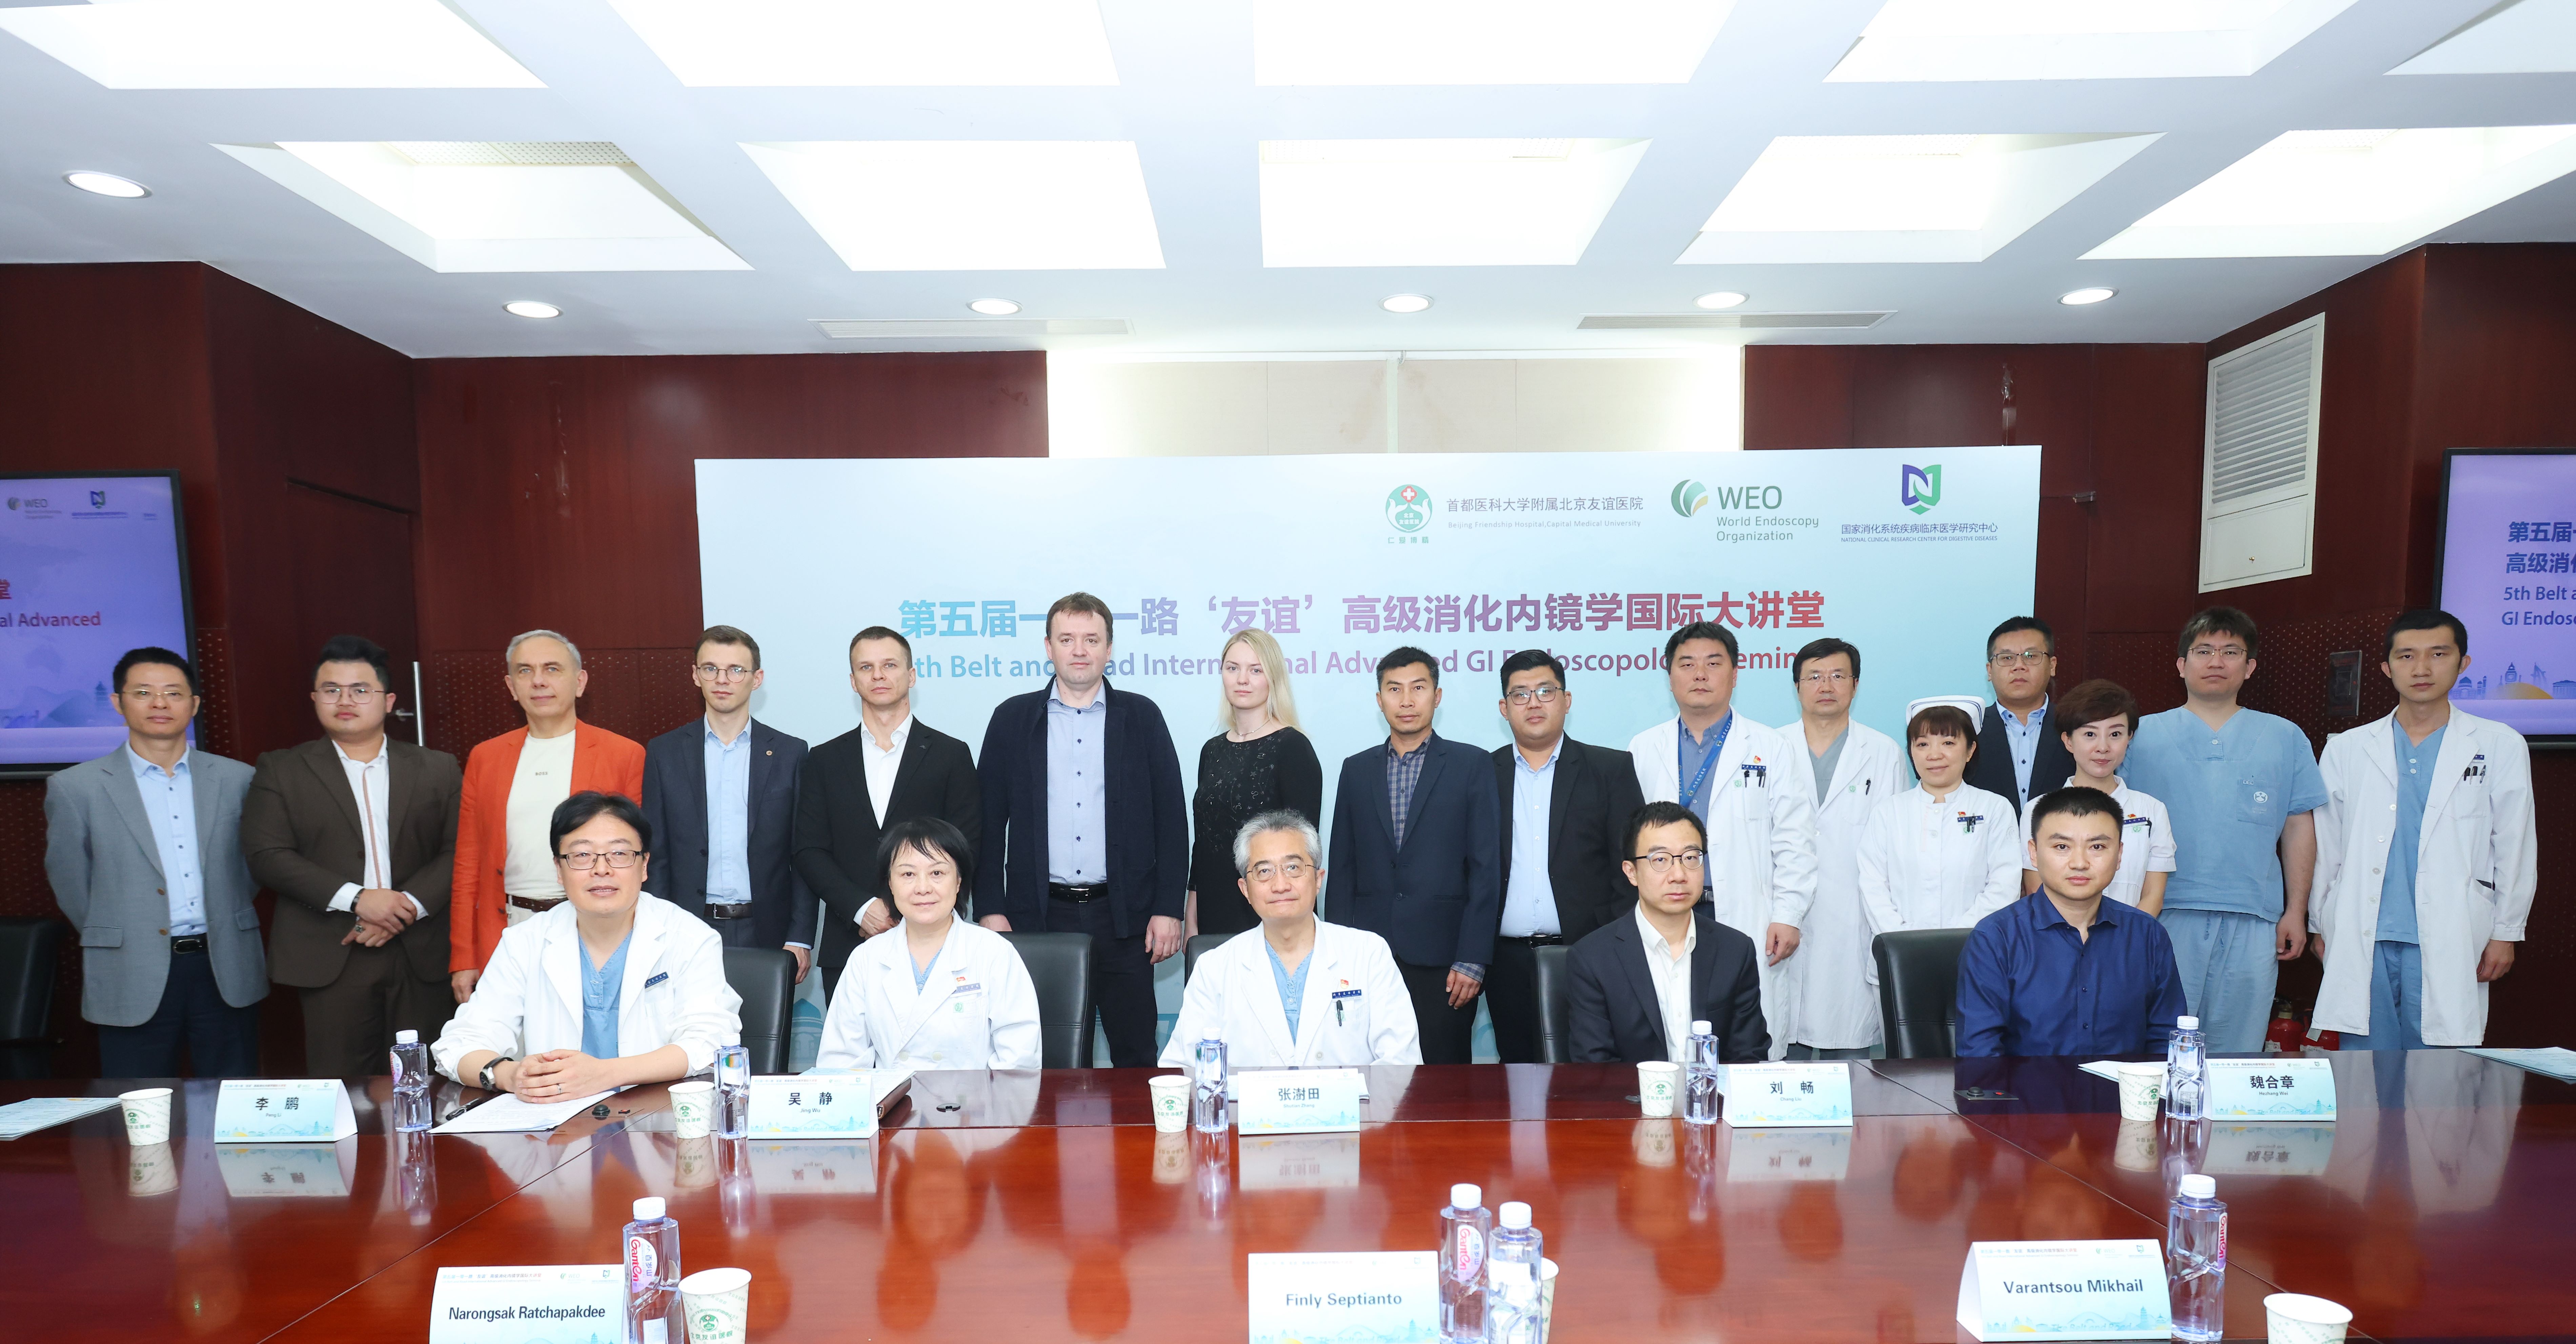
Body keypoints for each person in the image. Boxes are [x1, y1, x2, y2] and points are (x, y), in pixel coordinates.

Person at [975, 593, 1188, 1068]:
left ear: (1109, 649)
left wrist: (1167, 908)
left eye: (1091, 639)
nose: (1079, 650)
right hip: (1036, 918)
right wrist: (990, 908)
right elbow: (986, 823)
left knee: (1136, 1056)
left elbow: (1172, 820)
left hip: (1125, 919)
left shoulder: (1142, 717)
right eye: (1067, 639)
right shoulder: (1012, 719)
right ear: (1047, 647)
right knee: (1046, 1062)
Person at [2310, 609, 2536, 1049]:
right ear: (2386, 668)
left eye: (2437, 654)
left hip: (2452, 930)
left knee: (2438, 1074)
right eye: (2406, 656)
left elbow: (2515, 845)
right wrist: (2320, 922)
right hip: (2364, 930)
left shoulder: (2499, 744)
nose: (2421, 668)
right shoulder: (2347, 748)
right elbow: (2327, 845)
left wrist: (2506, 932)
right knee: (2364, 1071)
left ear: (2462, 663)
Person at [241, 636, 464, 1076]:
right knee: (342, 1086)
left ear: (388, 700)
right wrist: (360, 899)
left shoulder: (438, 767)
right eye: (332, 690)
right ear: (315, 698)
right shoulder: (281, 769)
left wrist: (403, 907)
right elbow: (268, 854)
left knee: (424, 1081)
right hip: (331, 949)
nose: (345, 700)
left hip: (420, 950)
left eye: (360, 689)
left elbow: (459, 849)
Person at [43, 647, 266, 1077]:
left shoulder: (238, 778)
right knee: (139, 1104)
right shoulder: (76, 787)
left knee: (232, 1100)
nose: (160, 703)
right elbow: (71, 880)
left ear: (194, 704)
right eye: (144, 692)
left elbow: (253, 867)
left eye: (173, 693)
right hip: (130, 966)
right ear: (118, 702)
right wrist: (120, 930)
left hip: (223, 963)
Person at [433, 791, 741, 1098]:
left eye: (619, 853)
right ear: (559, 869)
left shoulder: (689, 936)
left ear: (644, 865)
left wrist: (605, 1074)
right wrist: (511, 1076)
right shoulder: (525, 941)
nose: (601, 869)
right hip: (554, 1118)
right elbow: (460, 1044)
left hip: (657, 1114)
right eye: (582, 855)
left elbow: (712, 1040)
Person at [2120, 607, 2326, 1053]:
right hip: (2162, 912)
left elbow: (2298, 825)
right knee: (2156, 1047)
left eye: (2230, 652)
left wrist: (2297, 910)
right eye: (2203, 651)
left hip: (2253, 915)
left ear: (2249, 667)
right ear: (2181, 664)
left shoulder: (2284, 736)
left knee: (2237, 1050)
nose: (2216, 661)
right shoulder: (2137, 736)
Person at [1626, 620, 1816, 1060]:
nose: (1699, 674)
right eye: (1686, 664)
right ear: (1669, 677)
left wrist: (1788, 914)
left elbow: (1795, 840)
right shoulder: (1644, 747)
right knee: (1670, 1032)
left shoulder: (1769, 746)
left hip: (1742, 914)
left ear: (1734, 674)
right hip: (1666, 911)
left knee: (1742, 1040)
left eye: (1713, 663)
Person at [1324, 646, 1501, 1065]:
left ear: (1436, 696)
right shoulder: (1355, 769)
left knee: (1443, 1080)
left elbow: (1486, 868)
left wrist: (1472, 958)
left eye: (1418, 688)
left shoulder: (1471, 764)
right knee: (1366, 1074)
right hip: (1367, 956)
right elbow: (1343, 869)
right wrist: (1336, 957)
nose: (1406, 700)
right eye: (1394, 689)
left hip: (1445, 960)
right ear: (1379, 699)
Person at [450, 630, 646, 1004]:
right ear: (511, 686)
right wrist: (464, 956)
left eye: (552, 669)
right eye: (525, 671)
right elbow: (468, 864)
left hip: (594, 924)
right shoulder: (485, 758)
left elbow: (633, 857)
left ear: (580, 681)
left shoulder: (623, 754)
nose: (538, 680)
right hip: (508, 926)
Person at [794, 625, 982, 988]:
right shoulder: (824, 759)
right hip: (849, 941)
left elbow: (966, 846)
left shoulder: (951, 755)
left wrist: (909, 909)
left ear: (911, 675)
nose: (878, 675)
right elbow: (809, 849)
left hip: (935, 941)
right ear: (853, 681)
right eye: (866, 667)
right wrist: (862, 908)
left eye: (890, 665)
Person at [1162, 811, 1421, 1067]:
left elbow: (1401, 1063)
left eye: (1293, 868)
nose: (1280, 885)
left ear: (1318, 879)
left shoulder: (1369, 954)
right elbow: (1181, 1069)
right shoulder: (1214, 968)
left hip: (1355, 1098)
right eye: (1264, 871)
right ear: (1245, 889)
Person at [1484, 649, 1643, 1063]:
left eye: (1545, 691)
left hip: (1588, 952)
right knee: (1516, 1075)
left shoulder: (1610, 769)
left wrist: (1613, 945)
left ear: (1566, 700)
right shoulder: (1482, 773)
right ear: (1504, 708)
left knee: (1590, 1073)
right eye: (1519, 694)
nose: (1533, 703)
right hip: (1504, 962)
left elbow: (1630, 868)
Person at [640, 625, 815, 979]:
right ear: (696, 675)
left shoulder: (790, 753)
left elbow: (803, 853)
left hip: (767, 931)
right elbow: (656, 854)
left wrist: (800, 937)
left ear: (756, 678)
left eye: (736, 669)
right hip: (686, 927)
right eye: (711, 668)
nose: (722, 680)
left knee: (765, 1019)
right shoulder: (664, 753)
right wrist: (657, 930)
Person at [1958, 786, 2187, 1056]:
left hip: (2126, 1086)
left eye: (2097, 847)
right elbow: (1980, 1054)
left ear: (2119, 855)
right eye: (2062, 847)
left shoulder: (2147, 935)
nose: (2079, 863)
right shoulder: (1995, 939)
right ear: (2033, 853)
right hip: (2025, 1086)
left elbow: (2166, 1042)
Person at [815, 817, 1041, 1070]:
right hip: (891, 1097)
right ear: (890, 883)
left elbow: (1018, 1062)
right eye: (908, 874)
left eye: (937, 873)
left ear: (958, 881)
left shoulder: (995, 952)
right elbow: (842, 1063)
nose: (923, 888)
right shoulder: (866, 958)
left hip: (976, 1096)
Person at [1565, 802, 1768, 1065]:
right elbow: (1596, 1068)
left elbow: (1748, 1056)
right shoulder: (1592, 959)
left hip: (1714, 1092)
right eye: (1660, 860)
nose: (1678, 875)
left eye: (1691, 858)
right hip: (1630, 1092)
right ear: (1631, 872)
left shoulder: (1735, 950)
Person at [1781, 638, 1904, 1060]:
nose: (1825, 685)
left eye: (1837, 675)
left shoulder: (1883, 752)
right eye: (1814, 676)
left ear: (1855, 684)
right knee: (1783, 1047)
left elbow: (1892, 846)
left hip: (1853, 915)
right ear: (1797, 686)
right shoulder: (1770, 748)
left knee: (1850, 1053)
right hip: (1784, 912)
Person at [1186, 627, 1322, 940]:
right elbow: (1202, 843)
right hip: (1213, 908)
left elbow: (1303, 851)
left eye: (1256, 670)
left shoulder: (1293, 747)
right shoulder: (1212, 750)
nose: (1242, 679)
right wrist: (1191, 912)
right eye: (1233, 668)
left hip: (1274, 909)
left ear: (1273, 678)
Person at [1858, 704, 2021, 950]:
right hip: (1900, 953)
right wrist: (1905, 942)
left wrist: (1958, 941)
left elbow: (2003, 886)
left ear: (1970, 750)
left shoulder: (1995, 808)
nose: (1934, 755)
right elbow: (1873, 886)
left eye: (1948, 743)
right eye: (1923, 744)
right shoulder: (1888, 812)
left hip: (1977, 950)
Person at [2015, 679, 2174, 913]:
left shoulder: (2151, 810)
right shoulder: (2037, 809)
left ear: (2129, 738)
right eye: (2090, 734)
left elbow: (2153, 896)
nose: (2103, 747)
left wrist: (2128, 934)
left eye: (2115, 734)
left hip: (2131, 934)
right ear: (2068, 741)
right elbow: (2036, 890)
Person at [1966, 616, 2074, 816]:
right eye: (2007, 658)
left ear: (2052, 666)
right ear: (1990, 671)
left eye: (2031, 656)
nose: (2019, 666)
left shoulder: (2076, 727)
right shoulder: (1969, 730)